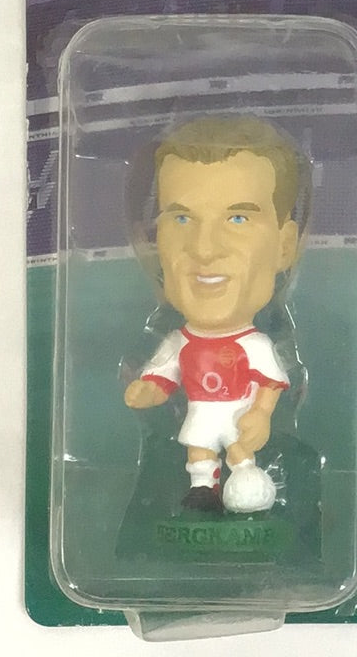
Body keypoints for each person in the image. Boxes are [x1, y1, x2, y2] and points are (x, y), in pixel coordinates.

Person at [124, 115, 306, 514]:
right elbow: (163, 376)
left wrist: (261, 414)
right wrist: (149, 391)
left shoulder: (255, 344)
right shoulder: (178, 342)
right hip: (202, 414)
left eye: (238, 218)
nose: (204, 249)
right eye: (181, 218)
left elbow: (270, 383)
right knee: (199, 450)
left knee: (239, 451)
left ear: (284, 247)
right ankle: (203, 488)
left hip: (237, 414)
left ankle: (245, 482)